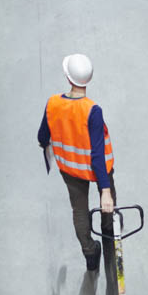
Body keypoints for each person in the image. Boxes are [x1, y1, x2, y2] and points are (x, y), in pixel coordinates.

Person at [38, 54, 115, 271]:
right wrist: (105, 190)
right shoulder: (92, 110)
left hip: (70, 169)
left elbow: (42, 136)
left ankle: (90, 253)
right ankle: (108, 231)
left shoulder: (53, 104)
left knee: (79, 211)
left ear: (68, 77)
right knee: (107, 201)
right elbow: (98, 155)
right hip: (97, 169)